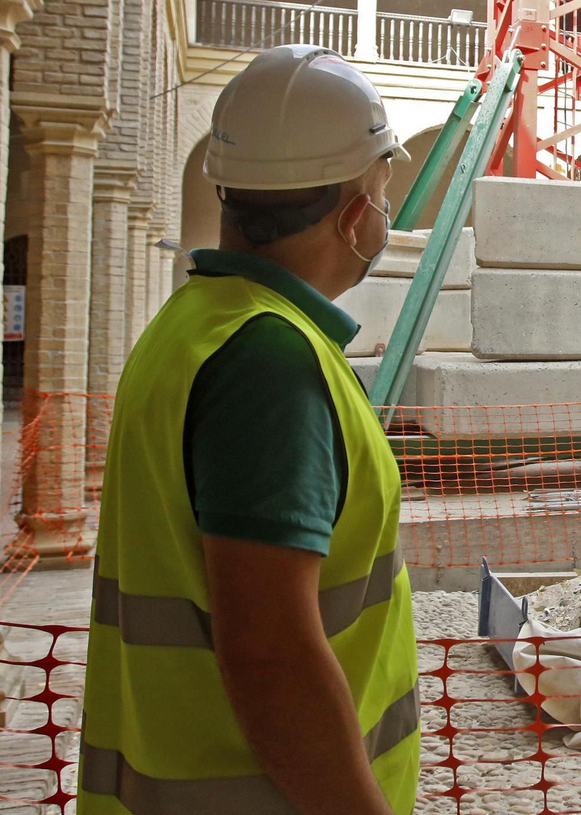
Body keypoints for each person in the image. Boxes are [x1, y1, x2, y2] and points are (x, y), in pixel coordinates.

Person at [79, 44, 419, 814]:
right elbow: (271, 655)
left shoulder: (195, 323)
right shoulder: (269, 363)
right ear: (355, 214)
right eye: (382, 186)